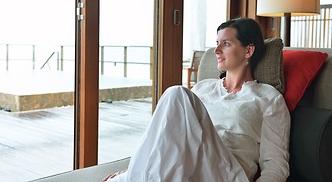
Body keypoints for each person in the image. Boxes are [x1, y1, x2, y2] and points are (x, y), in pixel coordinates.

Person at [105, 18, 290, 182]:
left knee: (176, 93)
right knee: (176, 100)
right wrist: (137, 166)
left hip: (228, 173)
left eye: (225, 44)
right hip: (190, 168)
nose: (216, 50)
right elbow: (168, 138)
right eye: (217, 43)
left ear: (248, 50)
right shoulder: (203, 88)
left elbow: (275, 162)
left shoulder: (268, 97)